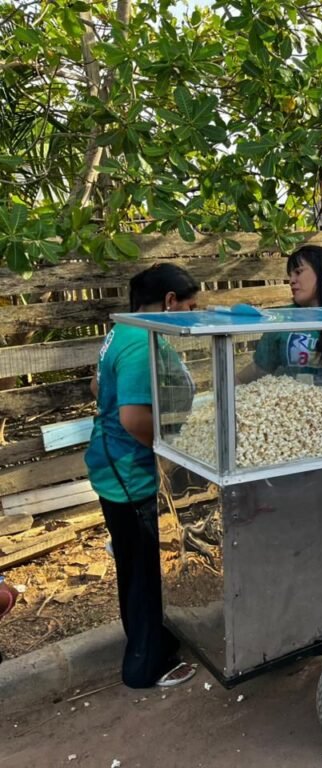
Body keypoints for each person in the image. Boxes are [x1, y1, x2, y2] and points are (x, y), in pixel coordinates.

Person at [84, 263, 201, 689]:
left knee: (135, 566)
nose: (193, 315)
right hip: (131, 474)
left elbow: (97, 386)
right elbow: (133, 417)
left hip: (113, 463)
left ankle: (151, 641)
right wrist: (175, 449)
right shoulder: (139, 342)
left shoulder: (123, 330)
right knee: (145, 572)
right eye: (190, 306)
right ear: (169, 301)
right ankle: (146, 666)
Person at [238, 245, 322, 390]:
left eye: (298, 272)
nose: (291, 280)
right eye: (290, 275)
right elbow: (259, 369)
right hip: (294, 403)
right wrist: (230, 386)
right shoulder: (282, 320)